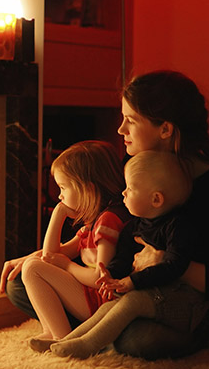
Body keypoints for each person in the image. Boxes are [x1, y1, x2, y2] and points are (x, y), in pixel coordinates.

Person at [2, 70, 209, 360]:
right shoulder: (133, 164)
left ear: (165, 129)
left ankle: (106, 332)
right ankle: (98, 330)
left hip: (173, 303)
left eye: (130, 121)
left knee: (137, 341)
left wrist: (163, 261)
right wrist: (42, 256)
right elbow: (104, 232)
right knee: (19, 283)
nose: (121, 130)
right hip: (119, 286)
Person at [49, 151, 199, 358]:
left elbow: (174, 266)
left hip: (173, 297)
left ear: (156, 199)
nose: (123, 194)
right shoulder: (134, 227)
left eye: (129, 189)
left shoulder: (178, 226)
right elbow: (122, 258)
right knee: (111, 305)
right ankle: (66, 341)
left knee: (132, 303)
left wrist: (132, 281)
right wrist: (109, 275)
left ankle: (87, 346)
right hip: (144, 291)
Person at [16, 140, 129, 351]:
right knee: (32, 263)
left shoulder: (108, 222)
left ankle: (62, 337)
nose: (59, 195)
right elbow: (50, 255)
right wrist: (58, 214)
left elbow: (101, 278)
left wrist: (68, 266)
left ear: (87, 188)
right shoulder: (93, 222)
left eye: (63, 188)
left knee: (32, 268)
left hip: (102, 302)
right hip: (89, 296)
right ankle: (51, 331)